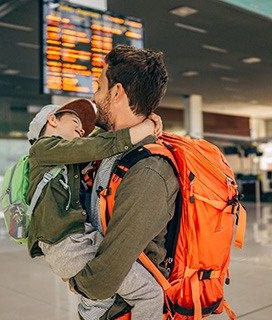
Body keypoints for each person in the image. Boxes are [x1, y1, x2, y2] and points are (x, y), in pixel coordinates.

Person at [67, 45, 180, 319]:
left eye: (99, 86)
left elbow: (105, 276)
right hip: (100, 307)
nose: (93, 96)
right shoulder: (109, 149)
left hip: (122, 311)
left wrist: (73, 279)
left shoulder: (148, 172)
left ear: (116, 92)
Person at [26, 98, 164, 320]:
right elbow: (95, 147)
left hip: (75, 243)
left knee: (99, 304)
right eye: (75, 121)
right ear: (52, 120)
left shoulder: (62, 159)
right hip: (69, 246)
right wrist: (146, 127)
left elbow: (96, 144)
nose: (81, 129)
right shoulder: (42, 149)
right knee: (149, 294)